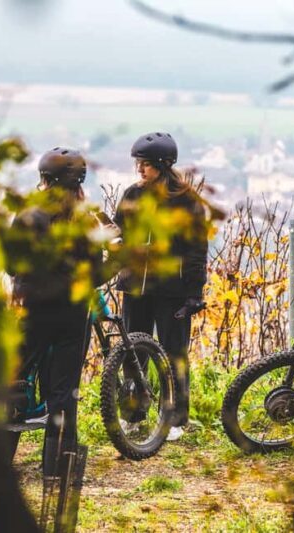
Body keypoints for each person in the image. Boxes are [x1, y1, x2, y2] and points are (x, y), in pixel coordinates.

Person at [6, 147, 103, 483]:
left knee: (15, 379)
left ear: (45, 180)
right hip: (70, 314)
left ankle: (0, 459)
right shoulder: (86, 219)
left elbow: (9, 262)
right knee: (63, 391)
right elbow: (97, 271)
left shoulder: (28, 213)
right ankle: (58, 469)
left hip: (29, 309)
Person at [113, 132, 208, 442]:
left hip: (172, 291)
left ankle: (177, 418)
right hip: (136, 288)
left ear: (164, 165)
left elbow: (197, 250)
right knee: (134, 354)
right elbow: (120, 234)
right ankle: (133, 415)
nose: (140, 170)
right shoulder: (132, 195)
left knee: (172, 353)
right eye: (138, 163)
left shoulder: (186, 202)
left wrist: (195, 292)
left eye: (146, 165)